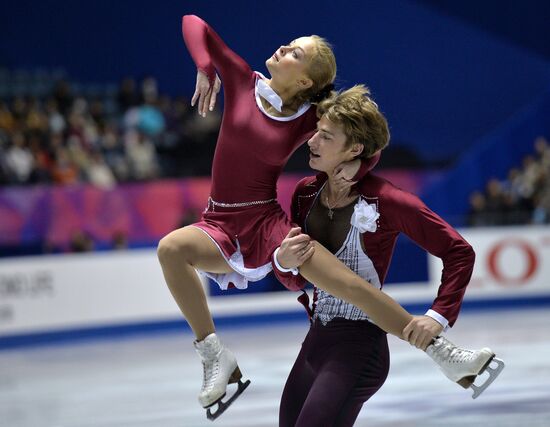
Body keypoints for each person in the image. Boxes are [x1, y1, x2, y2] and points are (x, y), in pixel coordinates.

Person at [157, 15, 501, 419]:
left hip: (267, 224)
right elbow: (193, 23)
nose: (283, 48)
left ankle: (443, 353)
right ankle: (215, 355)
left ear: (305, 81)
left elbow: (363, 133)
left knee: (350, 287)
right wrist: (203, 65)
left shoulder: (309, 117)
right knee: (171, 248)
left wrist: (362, 166)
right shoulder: (241, 81)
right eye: (289, 44)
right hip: (219, 221)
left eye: (295, 52)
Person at [275, 86, 504, 426]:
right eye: (316, 133)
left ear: (354, 149)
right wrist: (283, 262)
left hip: (359, 349)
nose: (311, 142)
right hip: (316, 342)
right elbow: (296, 280)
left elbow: (459, 252)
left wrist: (438, 316)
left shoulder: (389, 201)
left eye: (325, 136)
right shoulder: (305, 193)